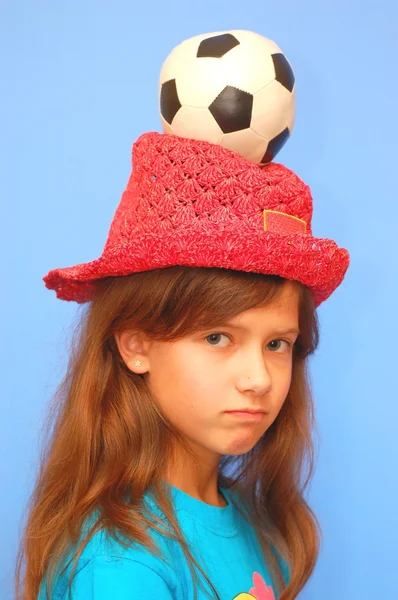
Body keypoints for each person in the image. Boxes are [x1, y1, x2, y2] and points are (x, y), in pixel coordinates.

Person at [15, 130, 350, 600]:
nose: (258, 380)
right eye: (217, 338)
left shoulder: (255, 523)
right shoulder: (121, 565)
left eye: (278, 345)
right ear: (136, 345)